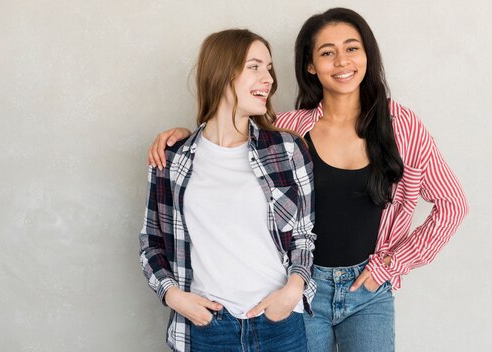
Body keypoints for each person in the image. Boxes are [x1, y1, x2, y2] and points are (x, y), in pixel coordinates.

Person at [146, 8, 468, 352]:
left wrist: (392, 264)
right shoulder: (288, 129)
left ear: (367, 55)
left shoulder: (401, 125)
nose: (342, 61)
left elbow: (452, 205)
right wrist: (179, 138)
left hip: (368, 290)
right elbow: (230, 134)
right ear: (311, 65)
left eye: (352, 48)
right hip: (303, 285)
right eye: (327, 52)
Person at [139, 29, 316, 352]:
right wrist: (173, 296)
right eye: (255, 66)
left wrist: (293, 289)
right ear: (222, 72)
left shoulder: (288, 150)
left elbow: (304, 234)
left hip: (278, 323)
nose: (269, 79)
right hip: (208, 328)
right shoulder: (173, 158)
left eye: (269, 68)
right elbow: (151, 241)